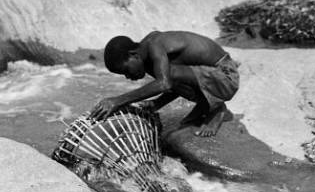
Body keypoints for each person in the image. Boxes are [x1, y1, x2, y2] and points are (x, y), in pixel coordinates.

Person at [90, 31, 239, 137]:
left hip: (226, 75)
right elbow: (175, 82)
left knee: (167, 74)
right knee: (167, 73)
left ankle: (216, 109)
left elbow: (165, 83)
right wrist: (156, 104)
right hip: (215, 76)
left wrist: (117, 100)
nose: (128, 77)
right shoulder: (148, 52)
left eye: (126, 70)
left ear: (133, 54)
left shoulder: (154, 45)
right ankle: (206, 103)